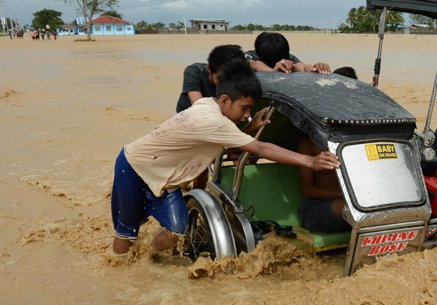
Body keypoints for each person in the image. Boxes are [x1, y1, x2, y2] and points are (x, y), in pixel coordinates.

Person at [111, 60, 340, 254]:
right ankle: (122, 268)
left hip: (165, 176)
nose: (248, 114)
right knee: (126, 234)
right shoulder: (213, 121)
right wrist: (310, 161)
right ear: (224, 101)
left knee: (177, 232)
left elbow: (224, 142)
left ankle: (146, 258)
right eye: (244, 108)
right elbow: (261, 149)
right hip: (135, 166)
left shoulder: (207, 105)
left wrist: (249, 129)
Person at [297, 137, 350, 233]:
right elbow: (308, 190)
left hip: (351, 206)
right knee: (351, 206)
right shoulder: (308, 144)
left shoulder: (351, 142)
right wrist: (342, 194)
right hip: (316, 208)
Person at [176, 44, 248, 113]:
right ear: (209, 69)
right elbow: (200, 107)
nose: (225, 83)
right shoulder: (194, 72)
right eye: (221, 79)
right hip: (189, 114)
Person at [245, 32, 331, 74]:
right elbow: (254, 64)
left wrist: (316, 68)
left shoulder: (287, 58)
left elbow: (303, 67)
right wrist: (274, 71)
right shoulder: (252, 56)